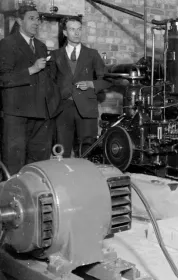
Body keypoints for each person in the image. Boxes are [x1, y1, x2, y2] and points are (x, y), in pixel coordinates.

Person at [0, 5, 60, 175]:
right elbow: (3, 78)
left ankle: (35, 196)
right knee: (14, 163)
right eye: (31, 18)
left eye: (38, 19)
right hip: (17, 116)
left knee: (39, 165)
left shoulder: (40, 46)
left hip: (41, 115)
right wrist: (31, 69)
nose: (36, 23)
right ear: (20, 21)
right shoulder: (7, 44)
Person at [50, 16, 112, 158]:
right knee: (61, 150)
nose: (77, 33)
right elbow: (49, 83)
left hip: (86, 108)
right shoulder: (55, 55)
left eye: (79, 29)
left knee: (87, 150)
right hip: (62, 109)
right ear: (65, 33)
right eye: (72, 29)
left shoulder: (92, 54)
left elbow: (108, 80)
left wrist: (91, 84)